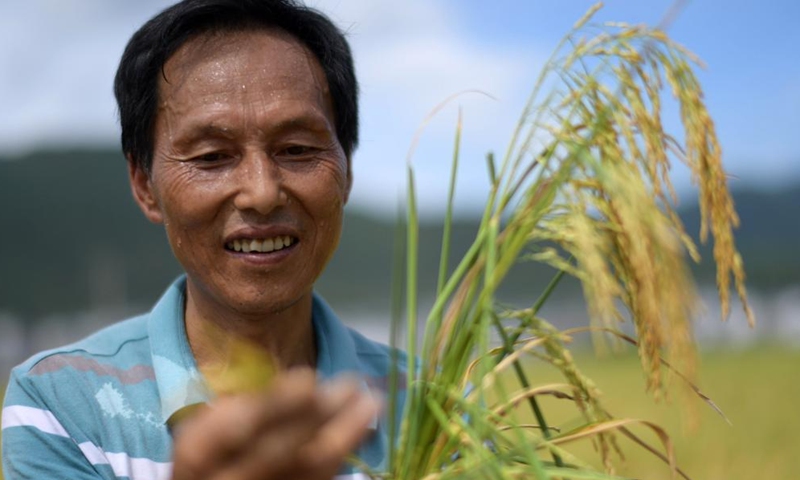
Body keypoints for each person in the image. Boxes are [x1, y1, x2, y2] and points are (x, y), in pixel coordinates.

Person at [1, 1, 407, 478]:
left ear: (347, 169)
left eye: (297, 149)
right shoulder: (60, 404)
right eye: (212, 156)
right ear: (144, 185)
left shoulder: (435, 402)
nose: (261, 192)